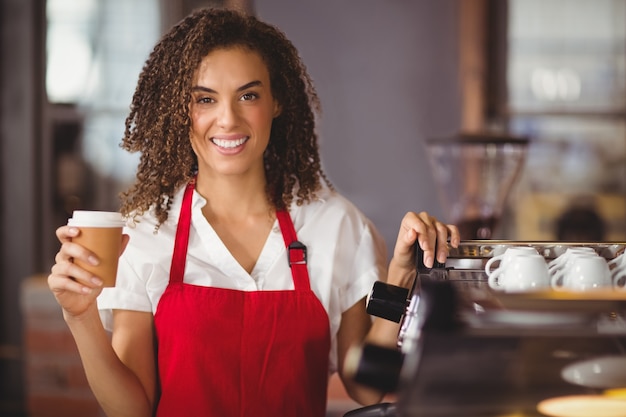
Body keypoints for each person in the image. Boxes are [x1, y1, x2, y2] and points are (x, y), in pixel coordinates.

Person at [48, 7, 459, 417]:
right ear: (180, 110)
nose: (228, 119)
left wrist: (400, 279)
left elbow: (367, 388)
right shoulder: (147, 232)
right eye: (205, 99)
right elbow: (132, 411)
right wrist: (80, 317)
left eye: (248, 95)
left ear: (276, 100)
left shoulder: (334, 224)